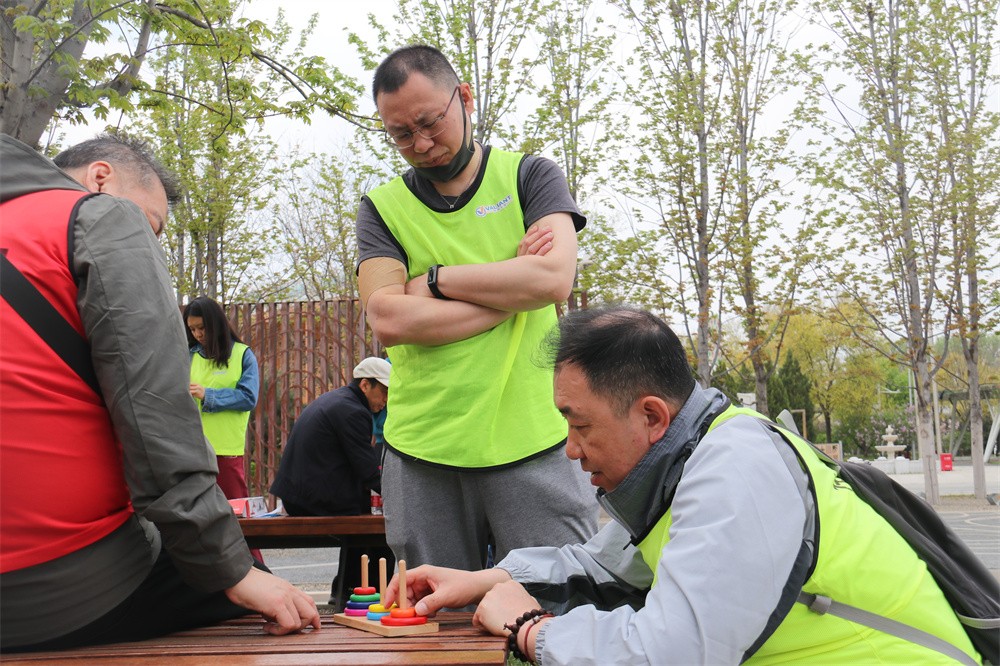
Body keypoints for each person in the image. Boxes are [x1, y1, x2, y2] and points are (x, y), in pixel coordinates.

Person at [384, 306, 982, 665]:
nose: (570, 449)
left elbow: (671, 654)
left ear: (651, 415)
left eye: (580, 425)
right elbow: (607, 568)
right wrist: (491, 579)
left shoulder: (736, 469)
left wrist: (531, 629)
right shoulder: (690, 458)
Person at [0, 133, 319, 652]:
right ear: (100, 179)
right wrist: (230, 568)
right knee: (274, 609)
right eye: (153, 226)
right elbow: (155, 415)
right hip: (61, 585)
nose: (151, 245)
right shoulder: (98, 217)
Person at [355, 44, 597, 574]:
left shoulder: (531, 177)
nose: (421, 144)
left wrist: (435, 280)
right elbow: (388, 318)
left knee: (561, 602)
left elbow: (553, 279)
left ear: (464, 98)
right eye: (401, 134)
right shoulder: (382, 209)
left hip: (535, 441)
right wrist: (510, 296)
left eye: (429, 123)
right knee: (432, 617)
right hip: (423, 453)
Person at [270, 356, 395, 603]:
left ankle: (348, 591)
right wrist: (398, 496)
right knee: (377, 527)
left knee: (368, 518)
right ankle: (361, 593)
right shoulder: (353, 411)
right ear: (365, 385)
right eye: (383, 392)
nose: (386, 401)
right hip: (312, 498)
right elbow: (367, 470)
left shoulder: (340, 400)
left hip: (300, 495)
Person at [183, 296, 259, 501]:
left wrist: (208, 395)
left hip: (226, 451)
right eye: (192, 329)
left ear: (215, 323)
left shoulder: (243, 355)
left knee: (235, 510)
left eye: (202, 327)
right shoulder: (188, 356)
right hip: (192, 451)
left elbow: (248, 397)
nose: (198, 334)